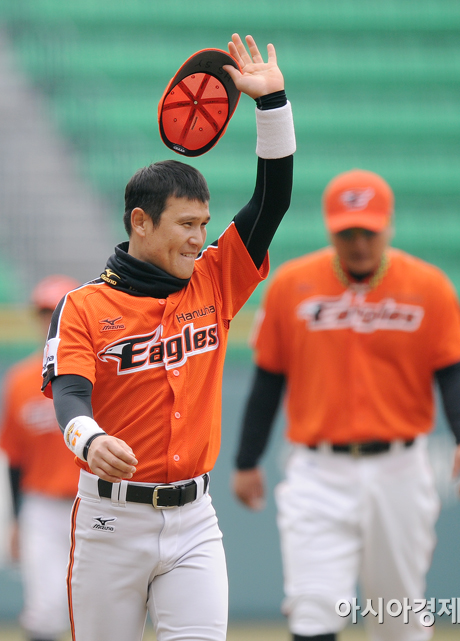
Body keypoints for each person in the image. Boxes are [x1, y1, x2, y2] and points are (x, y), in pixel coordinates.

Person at [40, 33, 295, 641]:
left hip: (195, 522)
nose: (197, 237)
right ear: (140, 222)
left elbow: (272, 200)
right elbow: (71, 394)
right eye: (186, 224)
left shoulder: (214, 278)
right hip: (109, 522)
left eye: (203, 224)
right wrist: (88, 435)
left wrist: (272, 105)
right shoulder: (83, 305)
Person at [232, 168, 460, 641]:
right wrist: (246, 460)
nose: (359, 243)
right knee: (312, 608)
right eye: (347, 232)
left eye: (368, 231)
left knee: (397, 618)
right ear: (331, 230)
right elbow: (268, 381)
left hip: (400, 470)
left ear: (388, 226)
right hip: (316, 470)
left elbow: (453, 370)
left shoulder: (428, 285)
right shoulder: (292, 285)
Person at [0, 275, 81, 641]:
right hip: (42, 506)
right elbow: (14, 459)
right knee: (45, 609)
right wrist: (16, 520)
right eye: (45, 311)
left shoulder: (100, 372)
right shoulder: (19, 381)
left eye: (57, 310)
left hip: (92, 502)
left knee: (97, 606)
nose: (49, 319)